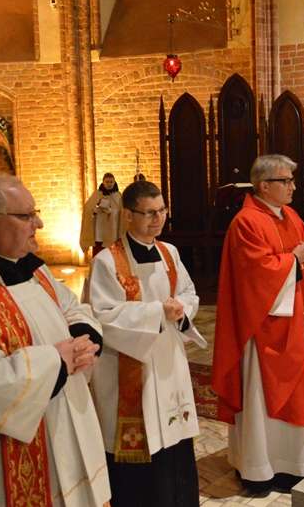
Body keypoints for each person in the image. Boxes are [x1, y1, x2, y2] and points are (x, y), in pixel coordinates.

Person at [0, 174, 110, 506]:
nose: (38, 223)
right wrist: (58, 360)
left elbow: (71, 306)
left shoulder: (32, 269)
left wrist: (84, 336)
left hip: (64, 435)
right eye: (26, 216)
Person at [211, 154, 304, 492]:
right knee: (264, 395)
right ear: (264, 185)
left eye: (292, 180)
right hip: (264, 327)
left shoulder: (290, 215)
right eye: (286, 181)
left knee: (303, 387)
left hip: (299, 320)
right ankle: (263, 465)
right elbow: (254, 273)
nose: (293, 187)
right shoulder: (246, 222)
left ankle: (301, 457)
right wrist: (294, 258)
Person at [89, 180, 206, 506]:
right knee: (143, 449)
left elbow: (188, 292)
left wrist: (181, 308)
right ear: (128, 215)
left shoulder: (170, 253)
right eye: (149, 213)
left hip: (168, 361)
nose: (158, 219)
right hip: (130, 364)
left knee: (173, 440)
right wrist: (157, 312)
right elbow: (102, 315)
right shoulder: (107, 261)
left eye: (162, 211)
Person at [80, 173, 122, 257]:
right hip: (99, 228)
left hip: (111, 229)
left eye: (111, 182)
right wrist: (95, 210)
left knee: (111, 255)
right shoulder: (97, 194)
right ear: (103, 182)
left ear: (114, 182)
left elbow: (121, 212)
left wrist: (111, 211)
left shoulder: (118, 195)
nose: (109, 184)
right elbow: (88, 208)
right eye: (107, 182)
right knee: (98, 253)